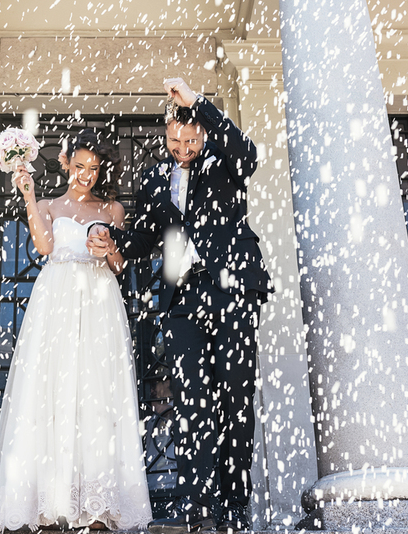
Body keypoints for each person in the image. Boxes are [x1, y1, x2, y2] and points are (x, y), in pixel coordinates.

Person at [87, 78, 273, 533]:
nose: (182, 148)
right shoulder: (156, 177)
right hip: (182, 300)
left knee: (235, 399)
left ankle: (233, 508)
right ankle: (196, 508)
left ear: (203, 134)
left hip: (233, 290)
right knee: (191, 400)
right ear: (165, 134)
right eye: (174, 140)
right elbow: (146, 236)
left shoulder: (226, 163)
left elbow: (250, 154)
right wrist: (110, 240)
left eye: (191, 140)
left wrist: (198, 103)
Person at [0, 129, 153, 532]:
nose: (86, 175)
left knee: (96, 395)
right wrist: (27, 195)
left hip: (98, 302)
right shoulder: (49, 205)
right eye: (79, 166)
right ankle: (53, 501)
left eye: (94, 169)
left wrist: (108, 248)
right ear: (65, 163)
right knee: (53, 392)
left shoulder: (112, 210)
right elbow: (43, 247)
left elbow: (120, 267)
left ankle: (95, 505)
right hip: (57, 299)